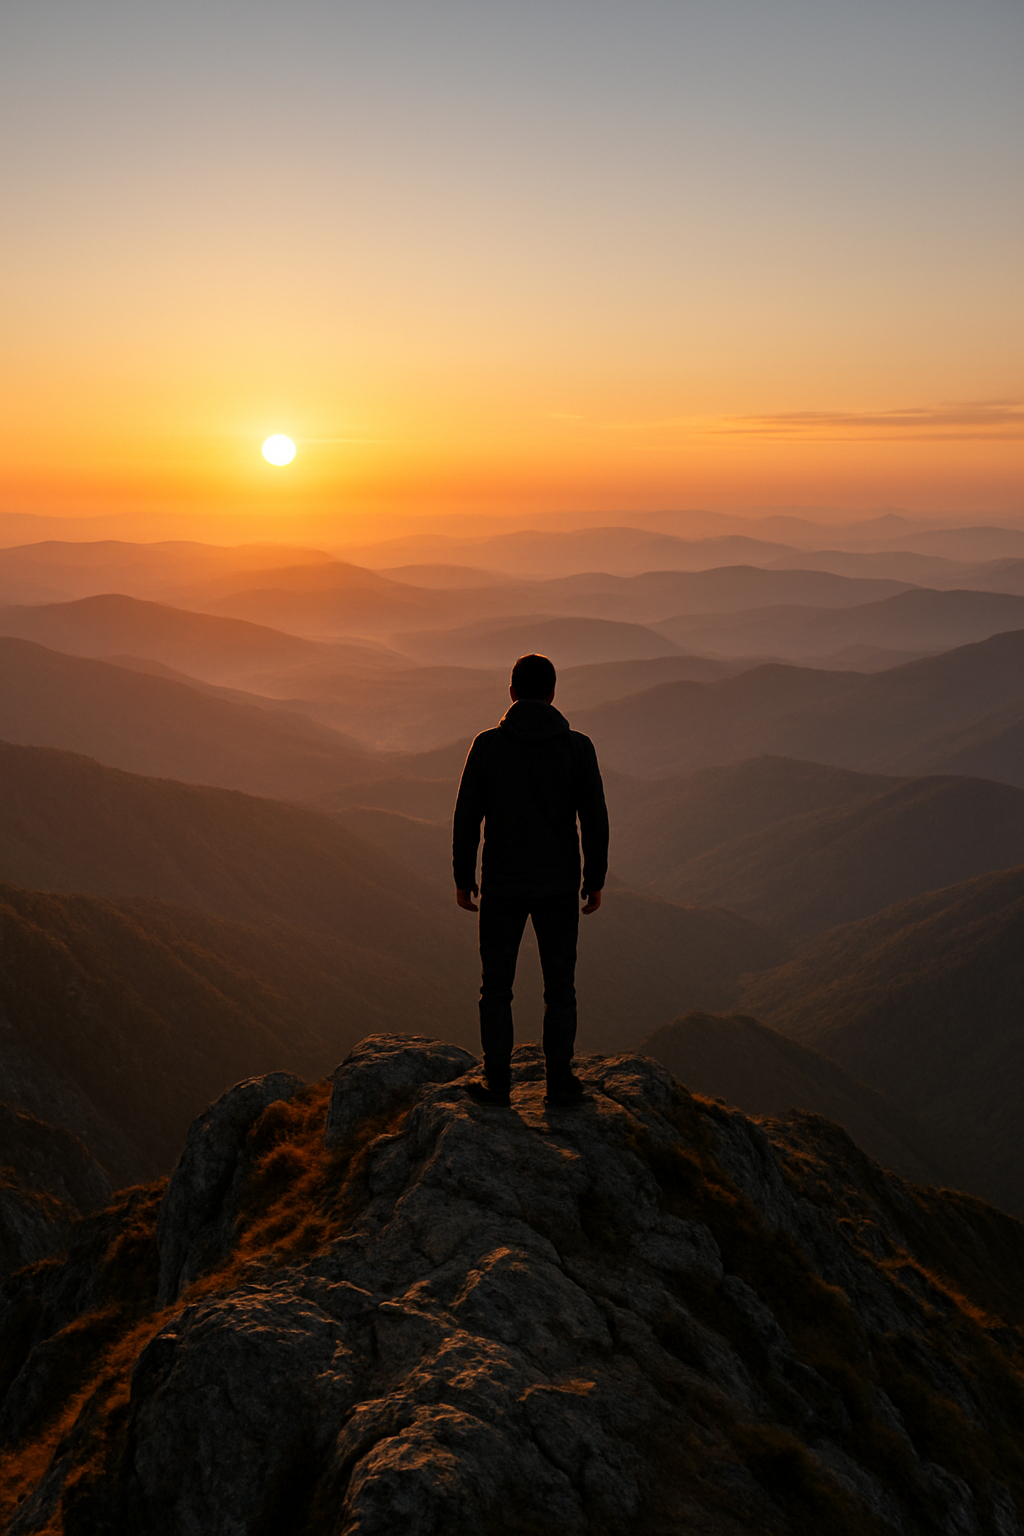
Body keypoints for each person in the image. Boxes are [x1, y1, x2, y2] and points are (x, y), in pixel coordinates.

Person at [452, 652, 609, 1108]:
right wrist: (594, 878)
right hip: (558, 886)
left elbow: (467, 816)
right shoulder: (577, 748)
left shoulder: (487, 746)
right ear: (553, 694)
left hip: (502, 885)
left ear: (512, 693)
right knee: (560, 987)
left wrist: (463, 876)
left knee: (496, 987)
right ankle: (558, 1082)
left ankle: (497, 1083)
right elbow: (594, 819)